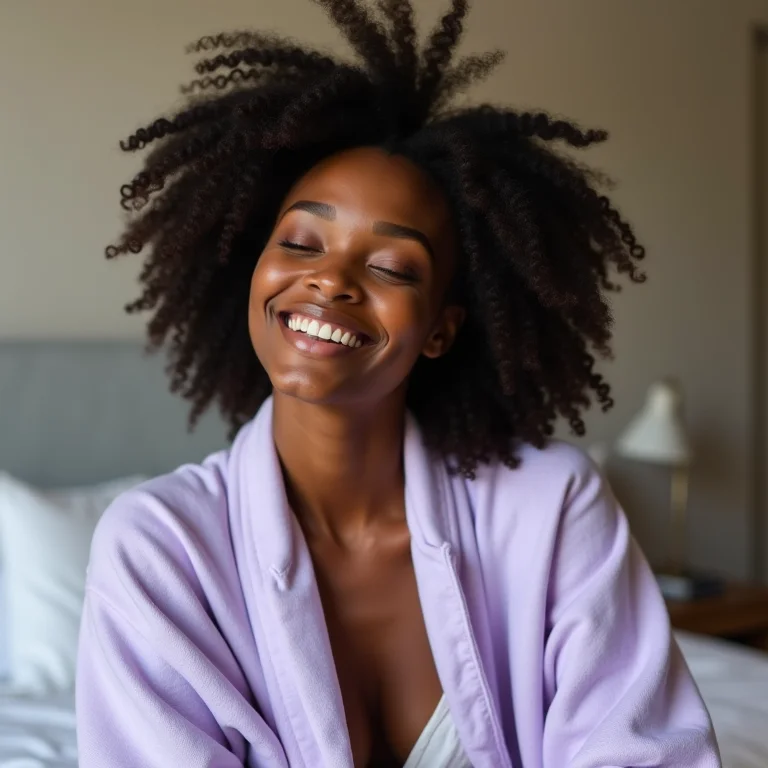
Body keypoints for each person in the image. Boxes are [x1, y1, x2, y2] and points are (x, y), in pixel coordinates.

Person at [75, 1, 721, 766]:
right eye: (302, 241)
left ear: (442, 327)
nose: (331, 280)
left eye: (389, 267)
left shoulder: (553, 509)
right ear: (256, 268)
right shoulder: (160, 549)